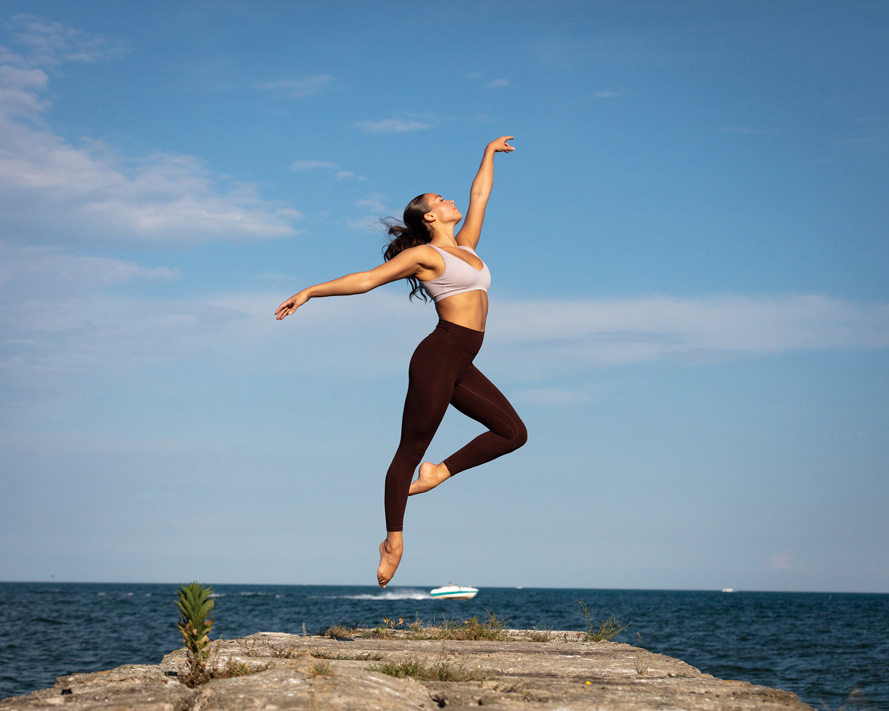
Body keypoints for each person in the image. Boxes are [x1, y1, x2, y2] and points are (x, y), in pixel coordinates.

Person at [275, 136, 527, 587]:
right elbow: (367, 279)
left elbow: (480, 195)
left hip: (463, 359)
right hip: (439, 354)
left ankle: (439, 473)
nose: (450, 200)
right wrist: (312, 290)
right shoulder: (424, 255)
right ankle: (393, 540)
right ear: (430, 216)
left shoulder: (467, 246)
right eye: (440, 199)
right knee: (409, 451)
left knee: (513, 433)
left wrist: (488, 153)